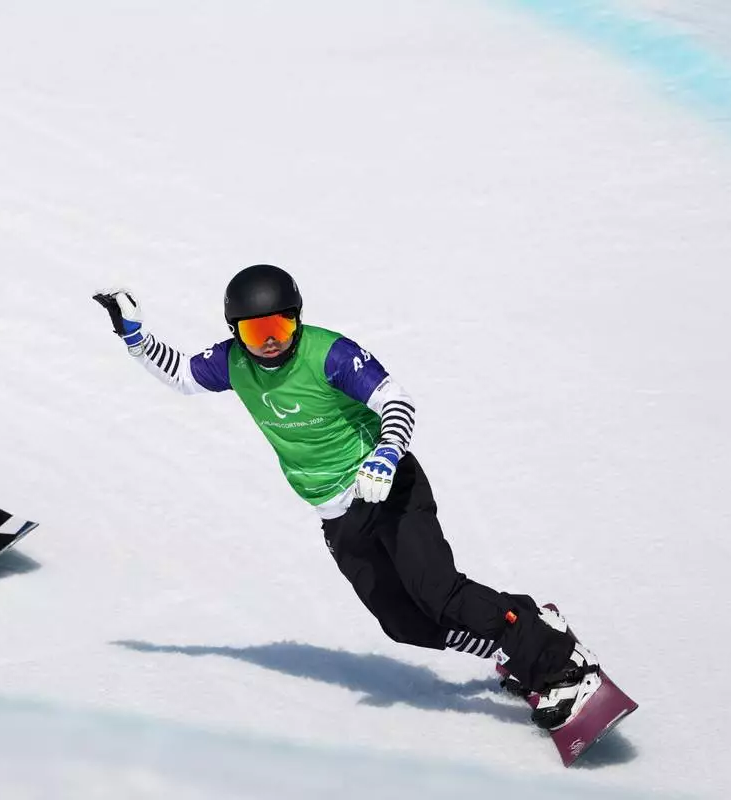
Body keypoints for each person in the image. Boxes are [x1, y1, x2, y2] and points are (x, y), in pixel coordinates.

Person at [93, 264, 602, 730]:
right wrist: (135, 338)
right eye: (255, 332)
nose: (270, 343)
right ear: (235, 332)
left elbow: (396, 400)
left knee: (439, 591)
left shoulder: (330, 352)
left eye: (280, 328)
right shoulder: (233, 364)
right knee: (403, 623)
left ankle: (560, 663)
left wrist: (385, 455)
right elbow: (182, 375)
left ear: (297, 321)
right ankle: (524, 629)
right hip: (336, 514)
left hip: (388, 488)